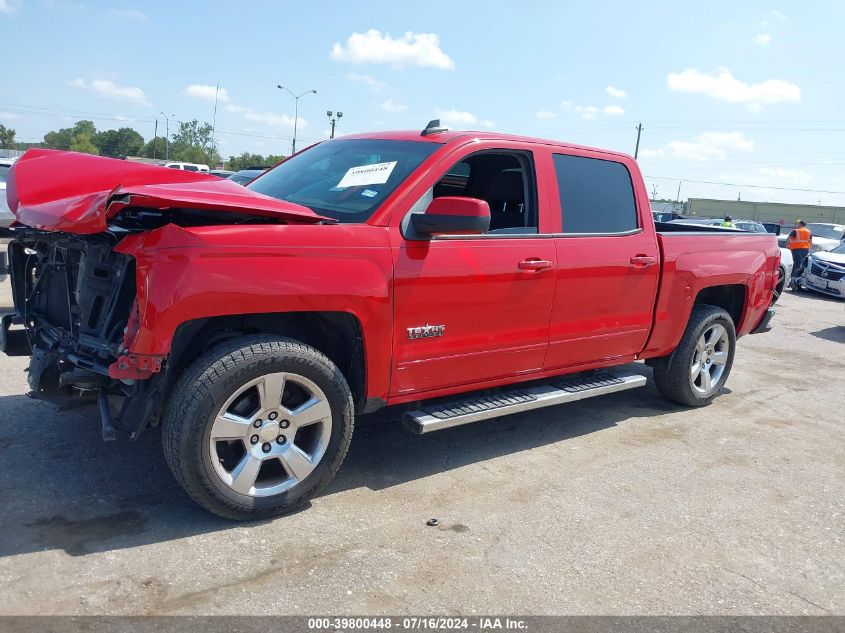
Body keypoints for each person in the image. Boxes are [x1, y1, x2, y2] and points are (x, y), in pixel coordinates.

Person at [786, 220, 813, 288]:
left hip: (796, 249)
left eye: (798, 224)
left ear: (800, 224)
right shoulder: (809, 232)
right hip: (805, 249)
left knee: (797, 265)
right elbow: (810, 242)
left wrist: (787, 245)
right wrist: (809, 248)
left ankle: (794, 279)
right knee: (798, 264)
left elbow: (788, 238)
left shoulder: (796, 231)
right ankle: (793, 280)